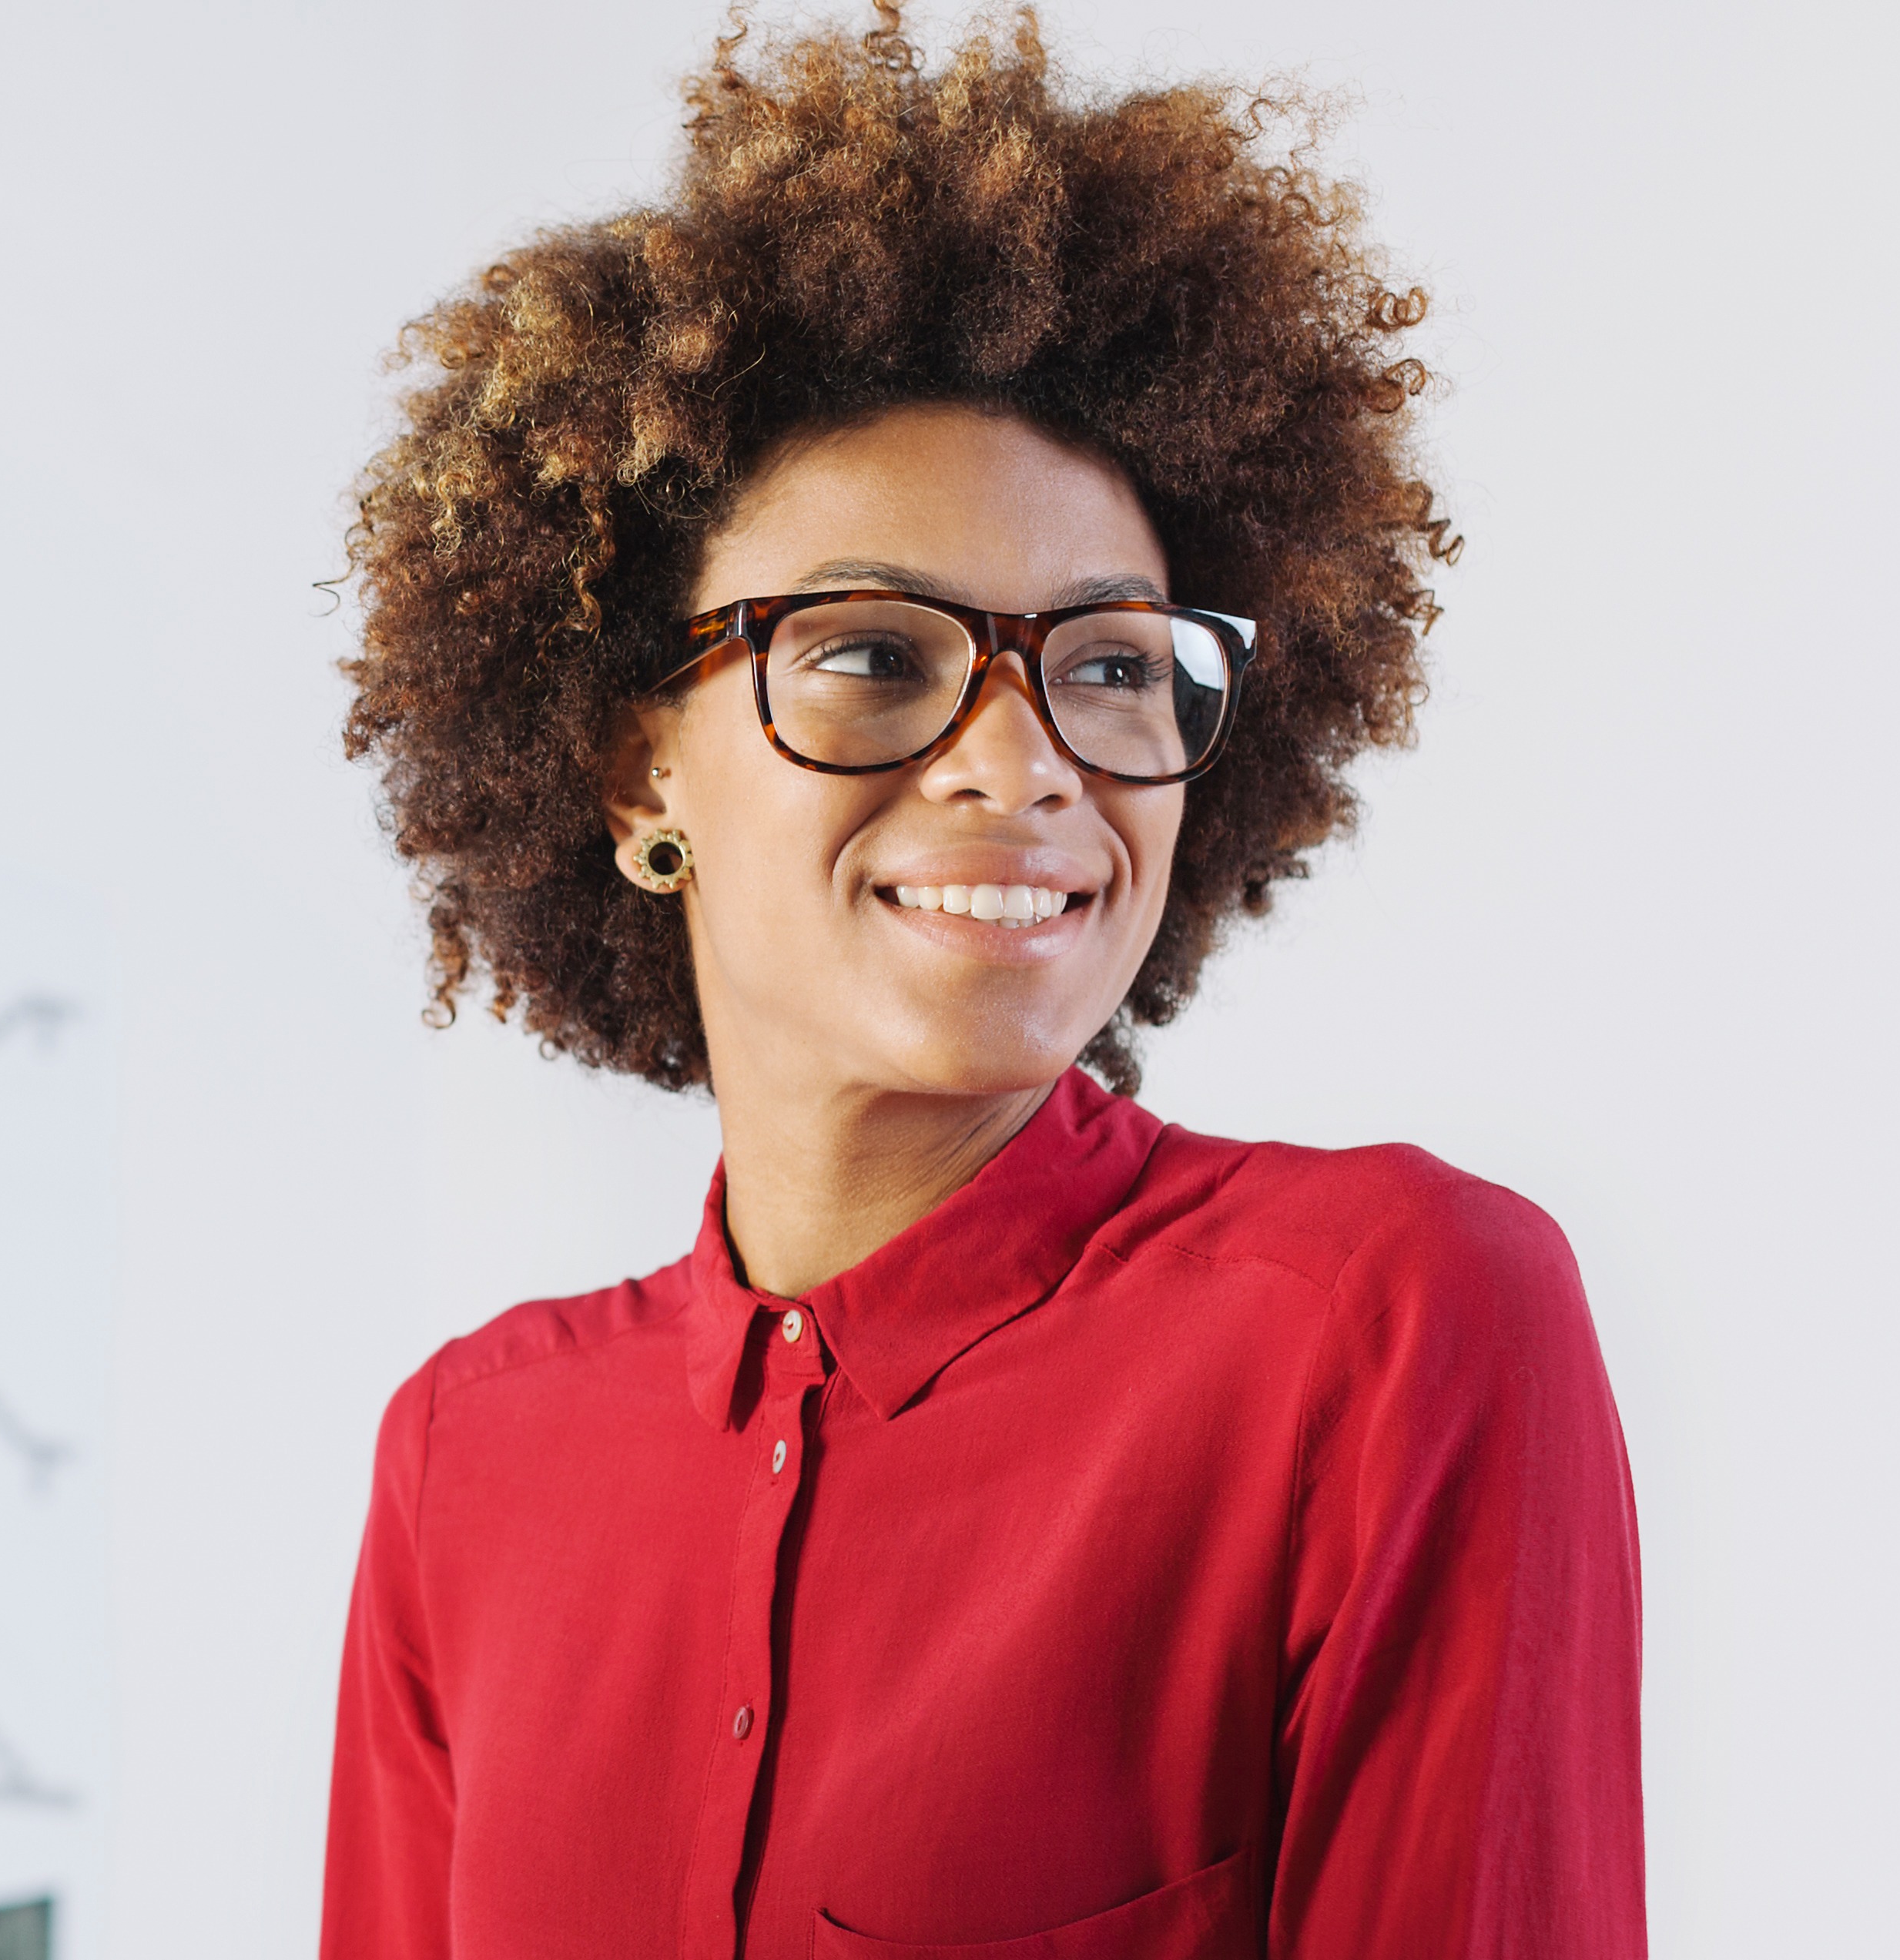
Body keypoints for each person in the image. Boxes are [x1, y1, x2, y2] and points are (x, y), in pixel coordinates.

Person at [320, 10, 1643, 1957]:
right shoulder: (467, 1460)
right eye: (868, 655)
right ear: (634, 769)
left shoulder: (1387, 1324)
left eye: (1111, 665)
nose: (1022, 759)